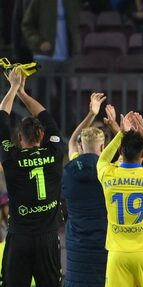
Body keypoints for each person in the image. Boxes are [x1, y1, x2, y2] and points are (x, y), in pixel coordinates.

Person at [0, 69, 65, 286]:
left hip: (19, 237)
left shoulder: (11, 158)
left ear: (19, 138)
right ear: (43, 135)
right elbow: (45, 115)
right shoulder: (55, 152)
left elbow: (2, 119)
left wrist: (12, 88)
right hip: (47, 239)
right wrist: (23, 94)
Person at [97, 112, 143, 287]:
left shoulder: (108, 174)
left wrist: (120, 134)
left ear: (121, 152)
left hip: (117, 255)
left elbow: (102, 159)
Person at [62, 93, 109, 287]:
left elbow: (71, 141)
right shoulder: (109, 172)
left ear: (81, 147)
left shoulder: (72, 168)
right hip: (103, 242)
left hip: (76, 245)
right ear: (103, 146)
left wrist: (91, 114)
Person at [22, 0, 80, 104]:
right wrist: (39, 42)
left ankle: (61, 121)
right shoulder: (39, 2)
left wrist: (75, 45)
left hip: (66, 58)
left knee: (66, 100)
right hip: (44, 57)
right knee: (41, 98)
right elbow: (27, 25)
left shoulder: (71, 2)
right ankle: (38, 120)